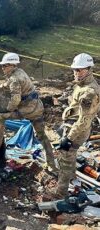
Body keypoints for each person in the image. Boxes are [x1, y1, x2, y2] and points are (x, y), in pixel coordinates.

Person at [0, 53, 57, 171]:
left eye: (5, 66)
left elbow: (15, 100)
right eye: (2, 66)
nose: (3, 68)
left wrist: (7, 111)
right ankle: (51, 164)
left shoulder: (14, 79)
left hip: (26, 110)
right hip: (37, 107)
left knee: (0, 117)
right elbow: (7, 84)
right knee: (42, 136)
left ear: (12, 65)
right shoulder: (20, 72)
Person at [52, 53, 100, 198]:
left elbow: (84, 120)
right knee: (70, 155)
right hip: (74, 125)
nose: (76, 73)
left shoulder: (89, 92)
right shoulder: (83, 85)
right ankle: (72, 177)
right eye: (75, 70)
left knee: (65, 158)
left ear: (89, 69)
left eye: (80, 70)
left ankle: (61, 192)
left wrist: (69, 138)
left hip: (78, 129)